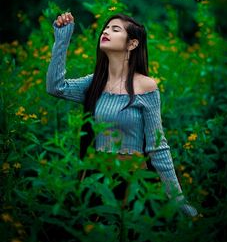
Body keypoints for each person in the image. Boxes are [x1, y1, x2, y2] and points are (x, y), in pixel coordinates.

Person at [46, 12, 198, 217]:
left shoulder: (146, 86)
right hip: (97, 180)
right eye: (106, 28)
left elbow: (157, 146)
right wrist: (62, 38)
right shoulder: (95, 82)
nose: (106, 31)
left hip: (133, 182)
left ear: (132, 44)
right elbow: (56, 87)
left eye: (115, 29)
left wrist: (179, 201)